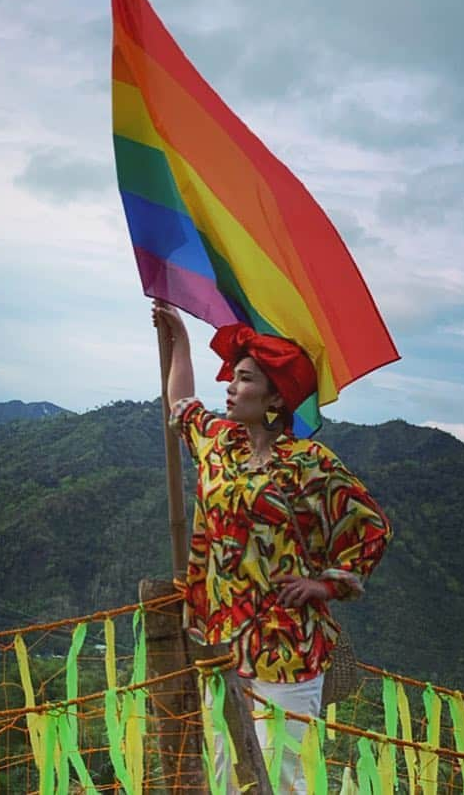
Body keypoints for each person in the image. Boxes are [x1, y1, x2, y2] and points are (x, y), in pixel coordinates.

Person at [152, 300, 392, 794]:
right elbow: (181, 405)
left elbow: (372, 528)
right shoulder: (220, 443)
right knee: (222, 763)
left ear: (275, 399)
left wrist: (324, 584)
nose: (230, 386)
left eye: (243, 379)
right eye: (233, 376)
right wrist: (177, 337)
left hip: (287, 643)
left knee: (283, 774)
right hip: (221, 638)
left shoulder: (309, 463)